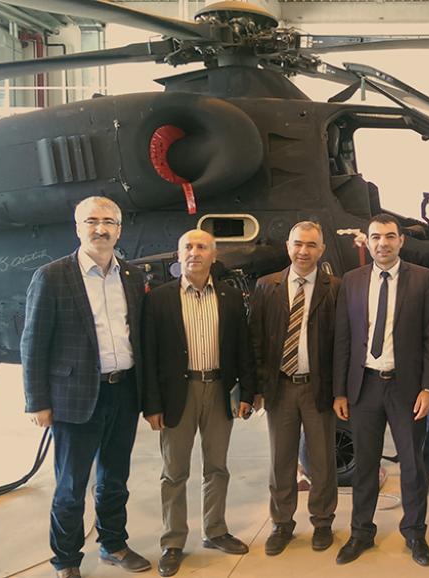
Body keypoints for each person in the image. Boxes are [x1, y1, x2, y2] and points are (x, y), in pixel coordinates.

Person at [21, 196, 151, 578]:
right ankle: (66, 560)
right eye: (92, 221)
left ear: (119, 230)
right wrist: (37, 401)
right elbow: (33, 343)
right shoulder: (51, 276)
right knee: (70, 486)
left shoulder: (133, 277)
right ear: (78, 228)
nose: (100, 229)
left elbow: (138, 336)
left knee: (115, 479)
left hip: (123, 391)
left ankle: (113, 544)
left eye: (109, 222)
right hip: (75, 398)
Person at [141, 229, 255, 577]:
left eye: (202, 247)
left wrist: (247, 393)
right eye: (188, 247)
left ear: (214, 255)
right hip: (178, 394)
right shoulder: (159, 299)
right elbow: (149, 355)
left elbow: (243, 347)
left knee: (217, 466)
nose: (194, 252)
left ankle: (215, 530)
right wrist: (152, 405)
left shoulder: (230, 297)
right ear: (179, 255)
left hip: (219, 388)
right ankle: (173, 541)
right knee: (174, 471)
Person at [332, 213, 429, 566]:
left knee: (412, 465)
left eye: (390, 236)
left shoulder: (422, 279)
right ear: (367, 241)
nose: (383, 243)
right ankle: (361, 532)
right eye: (376, 237)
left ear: (401, 241)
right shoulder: (351, 281)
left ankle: (415, 533)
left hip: (406, 388)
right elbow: (343, 339)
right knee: (365, 465)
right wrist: (340, 391)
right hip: (363, 386)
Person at [249, 221, 341, 556]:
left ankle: (323, 521)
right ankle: (282, 523)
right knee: (281, 460)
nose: (304, 251)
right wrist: (258, 387)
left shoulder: (335, 288)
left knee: (322, 461)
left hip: (318, 388)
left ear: (322, 249)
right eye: (298, 244)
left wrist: (340, 391)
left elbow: (342, 344)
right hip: (281, 387)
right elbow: (256, 339)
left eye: (311, 245)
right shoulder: (266, 286)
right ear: (288, 246)